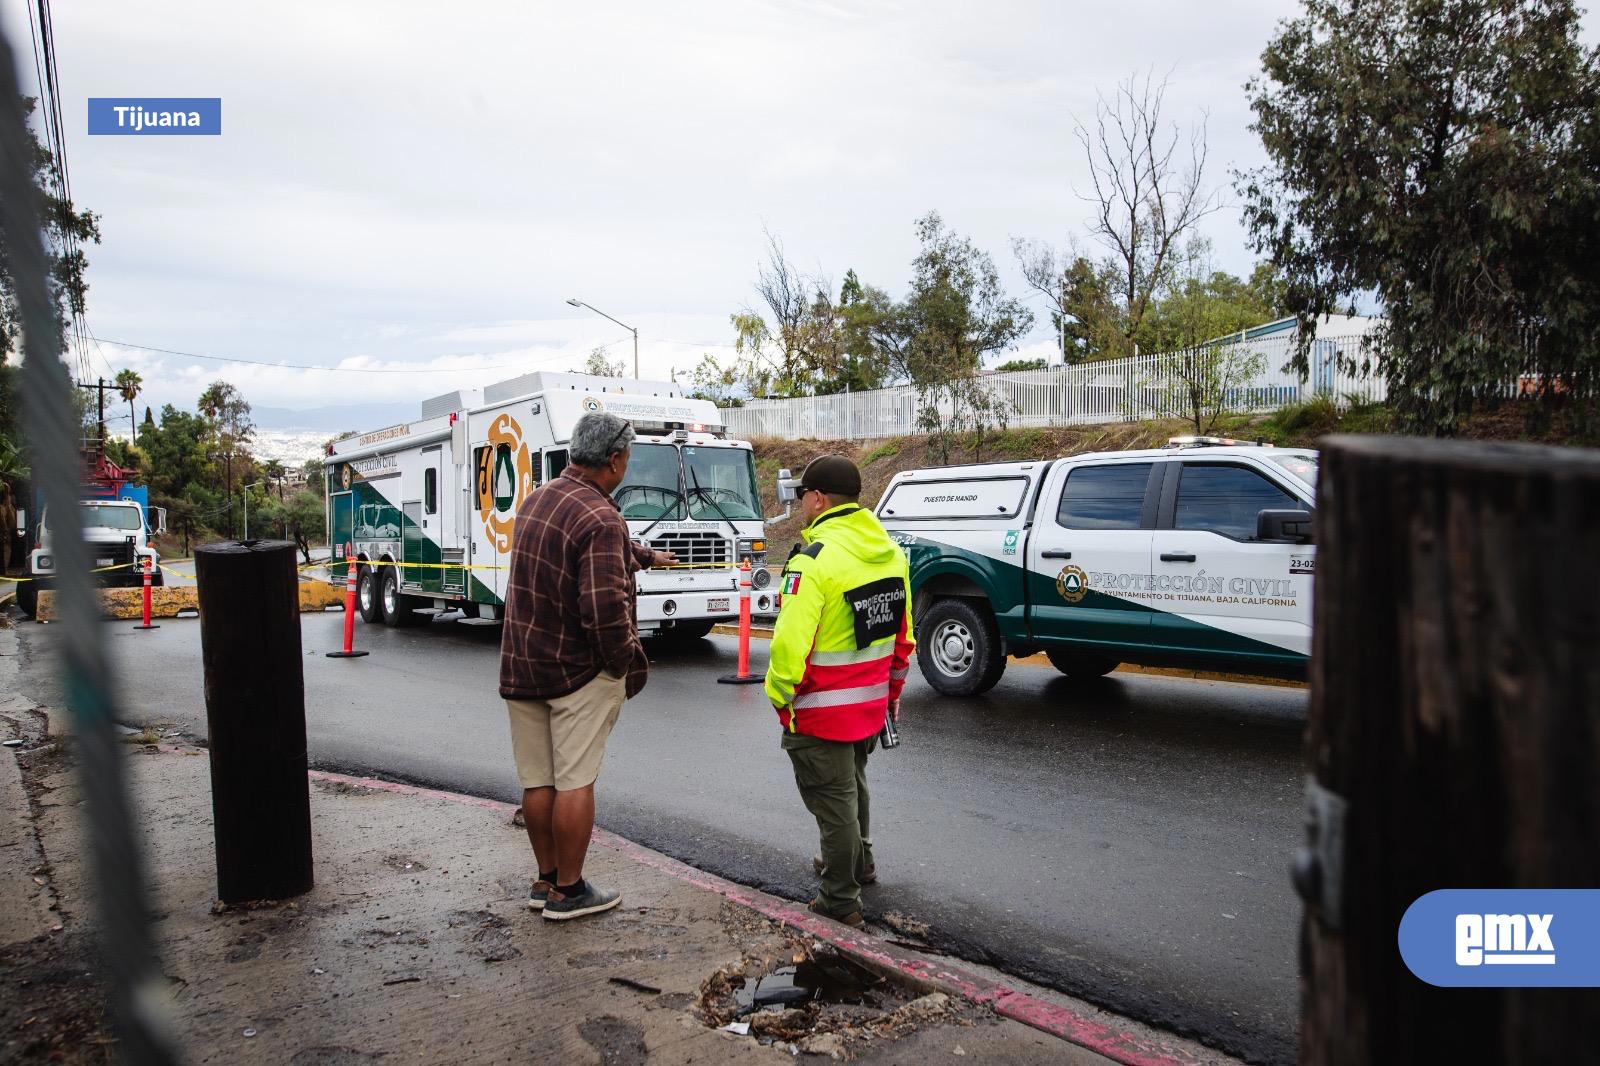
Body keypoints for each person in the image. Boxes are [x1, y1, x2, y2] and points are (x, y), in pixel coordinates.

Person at [499, 412, 672, 920]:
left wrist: (642, 555)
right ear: (616, 459)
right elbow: (603, 608)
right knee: (575, 780)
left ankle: (546, 880)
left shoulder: (538, 500)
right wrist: (627, 665)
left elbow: (575, 548)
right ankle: (571, 892)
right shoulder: (601, 516)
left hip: (523, 664)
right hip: (575, 672)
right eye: (629, 457)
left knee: (538, 780)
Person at [764, 454, 914, 927]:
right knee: (853, 784)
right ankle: (860, 862)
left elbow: (790, 643)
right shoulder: (890, 553)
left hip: (821, 709)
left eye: (803, 497)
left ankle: (840, 898)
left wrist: (779, 695)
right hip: (868, 705)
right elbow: (902, 636)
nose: (803, 506)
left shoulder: (814, 561)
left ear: (817, 499)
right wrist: (891, 694)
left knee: (833, 803)